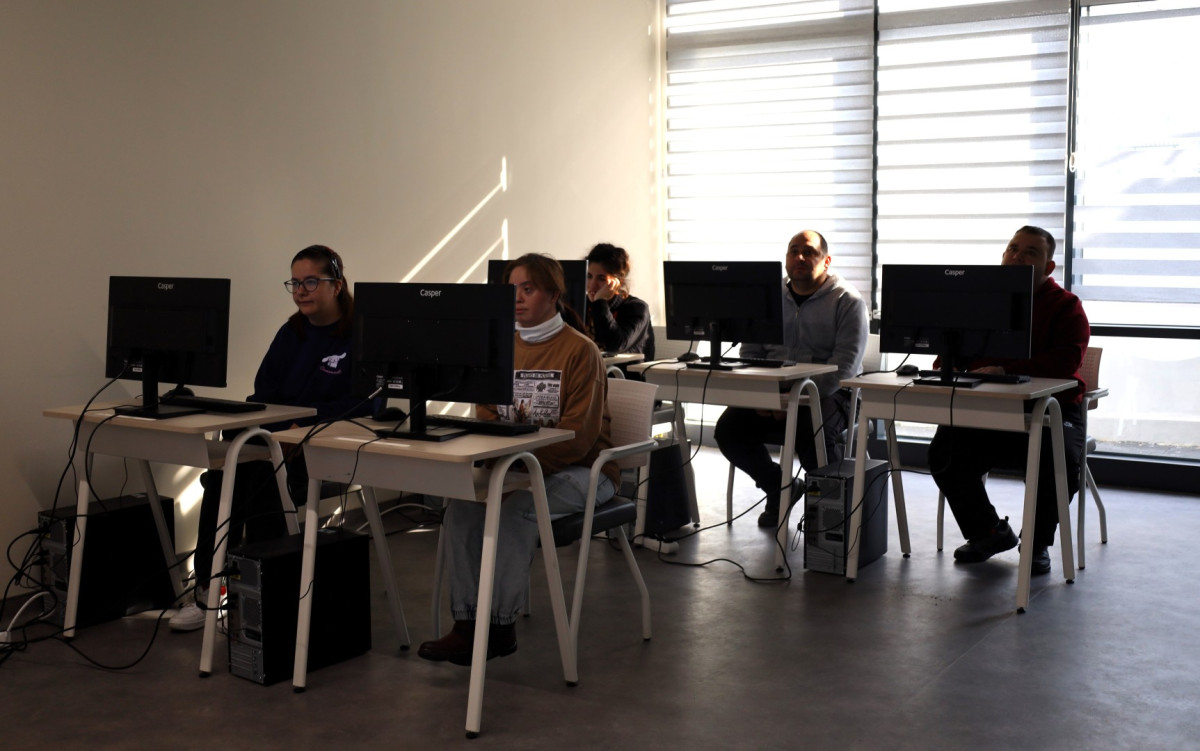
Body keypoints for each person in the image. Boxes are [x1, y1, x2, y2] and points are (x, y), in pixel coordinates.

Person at [418, 253, 617, 665]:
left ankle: (499, 627)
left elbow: (578, 437)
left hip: (584, 470)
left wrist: (519, 474)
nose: (518, 298)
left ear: (554, 295)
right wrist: (506, 470)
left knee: (518, 510)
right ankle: (467, 625)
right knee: (462, 508)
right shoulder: (500, 346)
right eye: (512, 290)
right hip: (515, 467)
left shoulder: (581, 352)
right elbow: (487, 414)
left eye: (528, 289)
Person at [169, 245, 374, 631]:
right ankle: (210, 592)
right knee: (223, 476)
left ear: (336, 285)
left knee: (257, 481)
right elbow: (263, 393)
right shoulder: (291, 333)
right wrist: (262, 425)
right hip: (277, 443)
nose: (301, 291)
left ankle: (260, 599)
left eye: (311, 281)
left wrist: (304, 428)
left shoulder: (360, 335)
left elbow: (366, 405)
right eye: (295, 283)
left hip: (327, 448)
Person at [929, 225, 1089, 576]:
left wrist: (1006, 369)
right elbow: (949, 357)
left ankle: (1036, 544)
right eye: (1013, 248)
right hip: (992, 408)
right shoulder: (980, 303)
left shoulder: (1066, 307)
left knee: (1057, 461)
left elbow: (1065, 362)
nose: (1017, 256)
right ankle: (989, 533)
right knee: (944, 452)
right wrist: (954, 360)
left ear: (1048, 267)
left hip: (1051, 409)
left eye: (1031, 252)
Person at [713, 230, 869, 528]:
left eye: (809, 252)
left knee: (812, 429)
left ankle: (827, 514)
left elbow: (844, 368)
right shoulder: (769, 299)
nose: (799, 257)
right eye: (793, 251)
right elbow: (751, 354)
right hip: (776, 392)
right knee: (729, 430)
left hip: (834, 393)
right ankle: (780, 487)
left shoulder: (847, 301)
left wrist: (793, 401)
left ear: (826, 261)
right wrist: (766, 395)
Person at [584, 242, 655, 360]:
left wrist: (600, 302)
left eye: (601, 278)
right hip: (590, 369)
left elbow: (615, 345)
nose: (592, 285)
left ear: (618, 282)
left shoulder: (637, 308)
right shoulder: (582, 304)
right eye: (589, 276)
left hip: (621, 371)